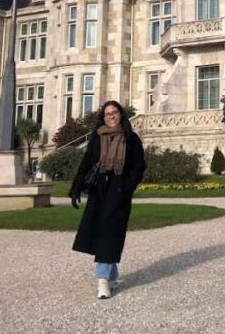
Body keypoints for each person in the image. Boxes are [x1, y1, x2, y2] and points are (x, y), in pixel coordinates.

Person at [69, 100, 146, 299]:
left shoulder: (131, 138)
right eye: (107, 113)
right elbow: (87, 162)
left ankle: (104, 278)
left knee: (111, 231)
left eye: (114, 112)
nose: (111, 116)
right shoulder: (96, 137)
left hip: (119, 190)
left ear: (121, 114)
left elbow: (139, 167)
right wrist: (76, 188)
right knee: (103, 231)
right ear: (103, 117)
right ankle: (108, 277)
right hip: (99, 189)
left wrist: (127, 187)